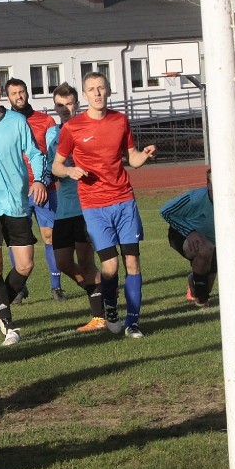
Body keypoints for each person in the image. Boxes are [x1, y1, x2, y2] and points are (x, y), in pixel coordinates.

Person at [52, 72, 156, 338]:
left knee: (132, 261)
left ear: (108, 90)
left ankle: (133, 322)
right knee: (110, 267)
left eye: (101, 88)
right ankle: (110, 306)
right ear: (85, 95)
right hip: (94, 206)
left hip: (124, 199)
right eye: (91, 89)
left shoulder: (120, 120)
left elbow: (130, 158)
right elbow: (57, 165)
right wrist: (70, 171)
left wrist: (142, 155)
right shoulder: (72, 128)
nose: (97, 93)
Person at [0, 70, 48, 346]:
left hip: (16, 203)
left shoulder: (17, 121)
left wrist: (39, 179)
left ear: (0, 92)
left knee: (26, 264)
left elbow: (35, 153)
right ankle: (8, 323)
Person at [48, 83, 105, 331]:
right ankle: (99, 293)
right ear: (55, 107)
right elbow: (53, 169)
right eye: (60, 105)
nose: (65, 109)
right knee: (62, 262)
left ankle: (99, 316)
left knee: (85, 259)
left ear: (77, 103)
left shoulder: (86, 129)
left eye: (69, 104)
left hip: (85, 206)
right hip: (64, 210)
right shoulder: (54, 138)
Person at [6, 78, 65, 302]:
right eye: (14, 93)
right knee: (18, 240)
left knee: (49, 235)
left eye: (22, 92)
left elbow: (52, 155)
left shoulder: (46, 121)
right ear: (8, 97)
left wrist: (43, 180)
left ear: (27, 93)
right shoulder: (5, 122)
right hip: (17, 192)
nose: (19, 96)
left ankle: (56, 285)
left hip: (44, 188)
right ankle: (20, 288)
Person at [160, 169, 216, 307]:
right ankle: (202, 300)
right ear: (208, 184)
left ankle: (194, 280)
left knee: (212, 269)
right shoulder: (194, 198)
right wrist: (190, 232)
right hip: (182, 234)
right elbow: (165, 211)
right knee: (205, 249)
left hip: (212, 241)